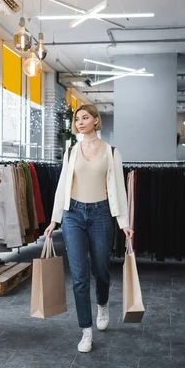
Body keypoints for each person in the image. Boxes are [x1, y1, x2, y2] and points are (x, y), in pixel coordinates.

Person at [45, 104, 133, 353]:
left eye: (85, 118)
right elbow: (63, 185)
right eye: (77, 119)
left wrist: (124, 223)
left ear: (96, 121)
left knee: (101, 269)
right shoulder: (71, 151)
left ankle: (102, 304)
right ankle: (86, 330)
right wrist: (55, 220)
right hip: (73, 214)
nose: (80, 122)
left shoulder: (111, 152)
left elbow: (118, 190)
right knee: (79, 275)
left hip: (101, 213)